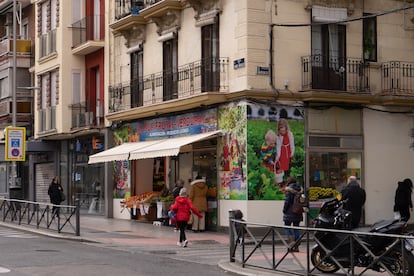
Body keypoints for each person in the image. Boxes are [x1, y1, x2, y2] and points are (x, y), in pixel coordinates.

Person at [283, 177, 303, 252]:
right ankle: (297, 246)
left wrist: (284, 210)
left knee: (287, 227)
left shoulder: (289, 190)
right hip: (298, 212)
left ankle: (291, 244)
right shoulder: (300, 190)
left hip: (289, 212)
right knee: (296, 228)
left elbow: (287, 202)